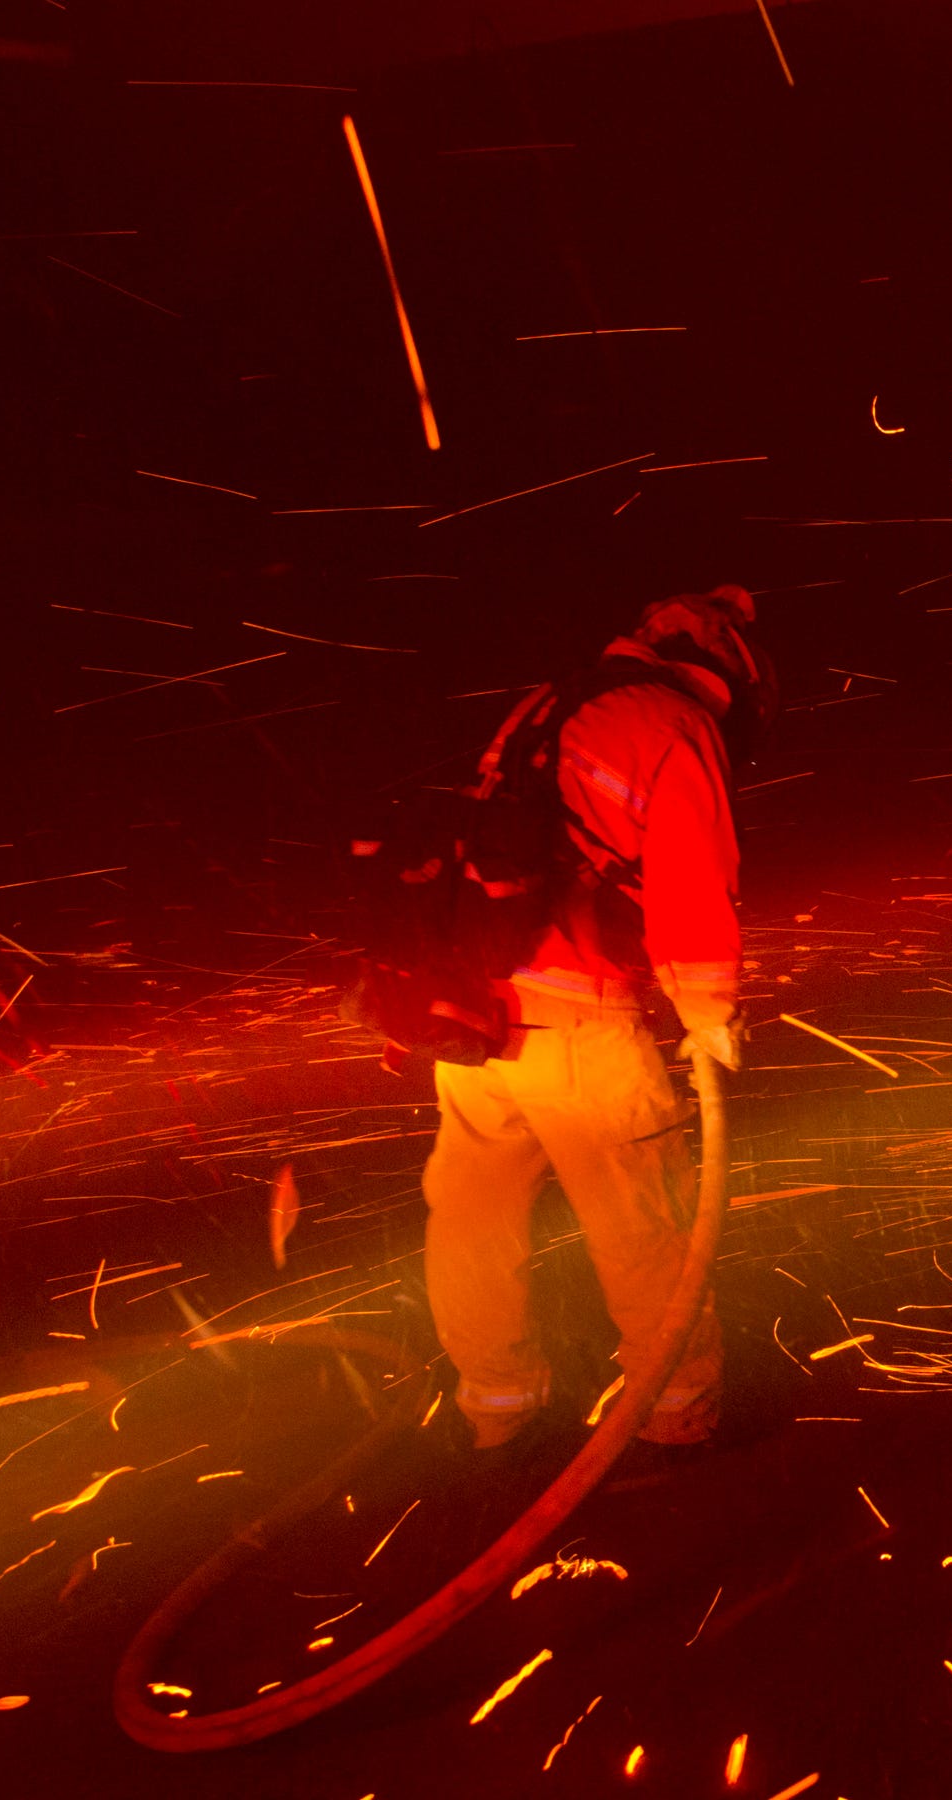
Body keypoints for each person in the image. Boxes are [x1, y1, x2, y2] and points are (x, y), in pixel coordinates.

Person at [419, 585, 775, 1452]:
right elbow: (692, 886)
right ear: (724, 670)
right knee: (643, 1224)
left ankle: (495, 1408)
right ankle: (676, 1410)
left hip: (475, 1014)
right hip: (581, 1025)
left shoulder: (547, 705)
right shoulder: (672, 725)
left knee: (472, 1218)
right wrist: (710, 1013)